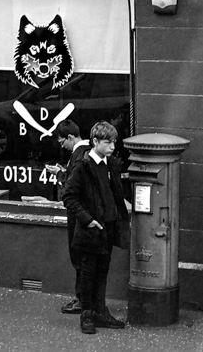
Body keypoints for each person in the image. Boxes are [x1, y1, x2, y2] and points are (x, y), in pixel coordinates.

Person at [62, 121, 130, 334]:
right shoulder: (82, 166)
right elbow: (68, 196)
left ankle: (101, 312)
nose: (112, 146)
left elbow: (113, 194)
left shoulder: (110, 164)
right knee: (88, 273)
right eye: (108, 142)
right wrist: (87, 219)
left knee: (102, 272)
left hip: (108, 228)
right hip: (91, 230)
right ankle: (87, 315)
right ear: (95, 142)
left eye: (114, 142)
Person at [45, 119, 91, 315]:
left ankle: (83, 300)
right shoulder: (88, 151)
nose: (62, 146)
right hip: (84, 214)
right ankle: (85, 299)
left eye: (63, 142)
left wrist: (61, 175)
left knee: (79, 257)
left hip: (78, 215)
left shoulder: (80, 155)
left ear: (71, 137)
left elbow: (76, 185)